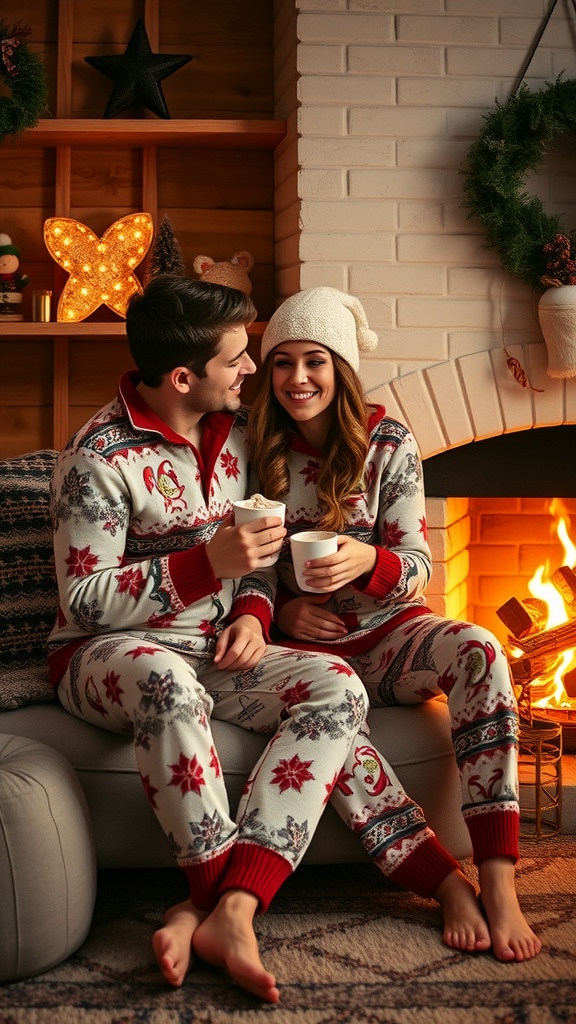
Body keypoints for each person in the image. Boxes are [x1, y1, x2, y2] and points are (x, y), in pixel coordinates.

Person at [48, 275, 370, 1003]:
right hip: (104, 655)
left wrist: (254, 610)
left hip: (215, 646)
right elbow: (86, 599)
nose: (256, 371)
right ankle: (209, 890)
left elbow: (257, 549)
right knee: (167, 681)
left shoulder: (238, 436)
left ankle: (229, 908)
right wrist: (204, 566)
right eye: (239, 360)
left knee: (337, 684)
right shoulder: (96, 458)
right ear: (184, 376)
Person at [248, 285, 542, 963]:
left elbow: (418, 566)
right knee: (329, 712)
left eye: (315, 361)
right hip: (308, 656)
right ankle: (443, 883)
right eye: (283, 363)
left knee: (480, 650)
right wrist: (285, 608)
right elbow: (247, 568)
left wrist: (367, 559)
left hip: (391, 640)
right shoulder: (253, 446)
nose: (298, 379)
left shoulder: (388, 442)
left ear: (341, 369)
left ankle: (498, 880)